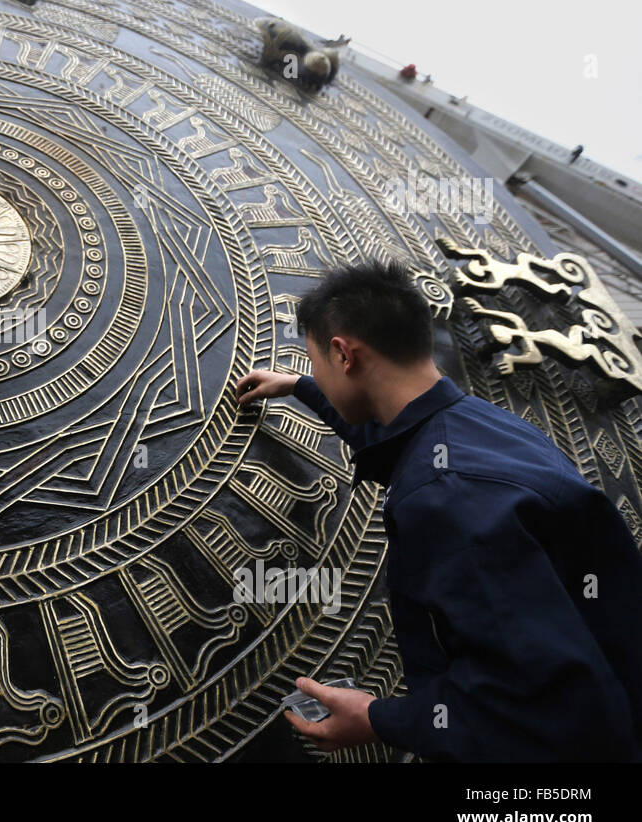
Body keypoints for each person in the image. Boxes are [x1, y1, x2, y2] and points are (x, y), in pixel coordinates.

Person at [233, 259, 642, 761]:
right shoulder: (480, 427)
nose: (314, 368)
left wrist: (379, 719)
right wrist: (302, 386)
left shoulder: (446, 500)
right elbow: (395, 434)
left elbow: (543, 705)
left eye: (314, 359)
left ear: (344, 355)